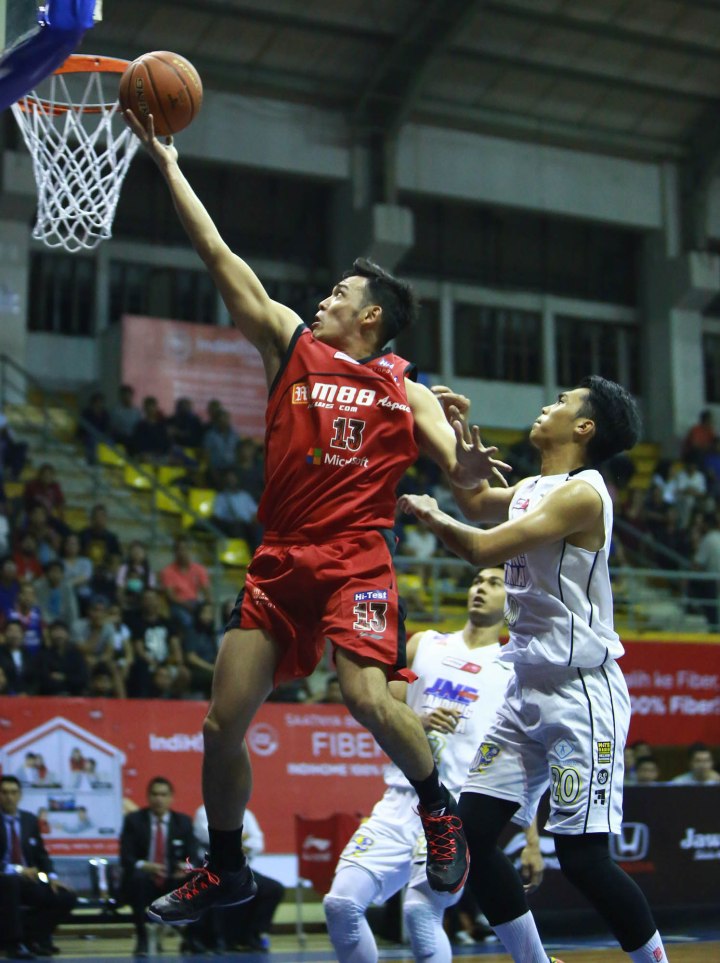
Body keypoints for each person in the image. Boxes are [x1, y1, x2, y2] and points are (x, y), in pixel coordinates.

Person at [125, 109, 510, 924]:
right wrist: (168, 167)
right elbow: (221, 258)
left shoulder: (405, 389)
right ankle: (225, 867)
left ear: (371, 315)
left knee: (368, 699)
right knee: (219, 722)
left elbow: (471, 491)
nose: (324, 298)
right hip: (280, 556)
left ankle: (439, 810)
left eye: (341, 293)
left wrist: (471, 471)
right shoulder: (290, 347)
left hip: (356, 556)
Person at [399, 376, 670, 963]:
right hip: (526, 689)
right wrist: (461, 469)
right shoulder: (533, 486)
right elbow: (477, 502)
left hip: (580, 693)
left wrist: (432, 515)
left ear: (584, 428)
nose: (547, 405)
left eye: (562, 402)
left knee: (583, 860)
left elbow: (480, 546)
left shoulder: (584, 493)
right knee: (470, 836)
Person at [324, 568, 544, 963]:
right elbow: (384, 706)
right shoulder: (426, 644)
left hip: (457, 809)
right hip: (400, 798)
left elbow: (521, 760)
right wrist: (416, 721)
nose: (480, 587)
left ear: (511, 602)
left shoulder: (514, 667)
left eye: (494, 583)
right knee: (340, 904)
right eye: (476, 580)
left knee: (421, 912)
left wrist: (531, 840)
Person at [119, 777, 198, 957]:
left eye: (163, 795)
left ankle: (193, 939)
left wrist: (186, 867)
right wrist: (144, 865)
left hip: (173, 880)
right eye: (154, 794)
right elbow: (126, 857)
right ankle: (143, 939)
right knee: (137, 879)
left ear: (171, 798)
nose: (159, 799)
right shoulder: (134, 821)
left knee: (198, 881)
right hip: (144, 880)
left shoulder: (183, 822)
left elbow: (193, 855)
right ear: (148, 797)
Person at [0, 775, 77, 958]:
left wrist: (52, 877)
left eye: (13, 792)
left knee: (65, 897)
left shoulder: (29, 820)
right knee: (11, 884)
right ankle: (14, 944)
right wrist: (17, 869)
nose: (9, 797)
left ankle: (34, 937)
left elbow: (41, 854)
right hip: (4, 880)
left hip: (29, 880)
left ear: (20, 795)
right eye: (4, 793)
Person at [193, 805, 285, 952]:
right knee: (219, 885)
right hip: (212, 869)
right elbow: (211, 839)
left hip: (240, 869)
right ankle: (217, 937)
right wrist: (241, 840)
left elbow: (258, 843)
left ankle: (252, 935)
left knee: (273, 888)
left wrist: (232, 841)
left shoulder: (246, 814)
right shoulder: (204, 812)